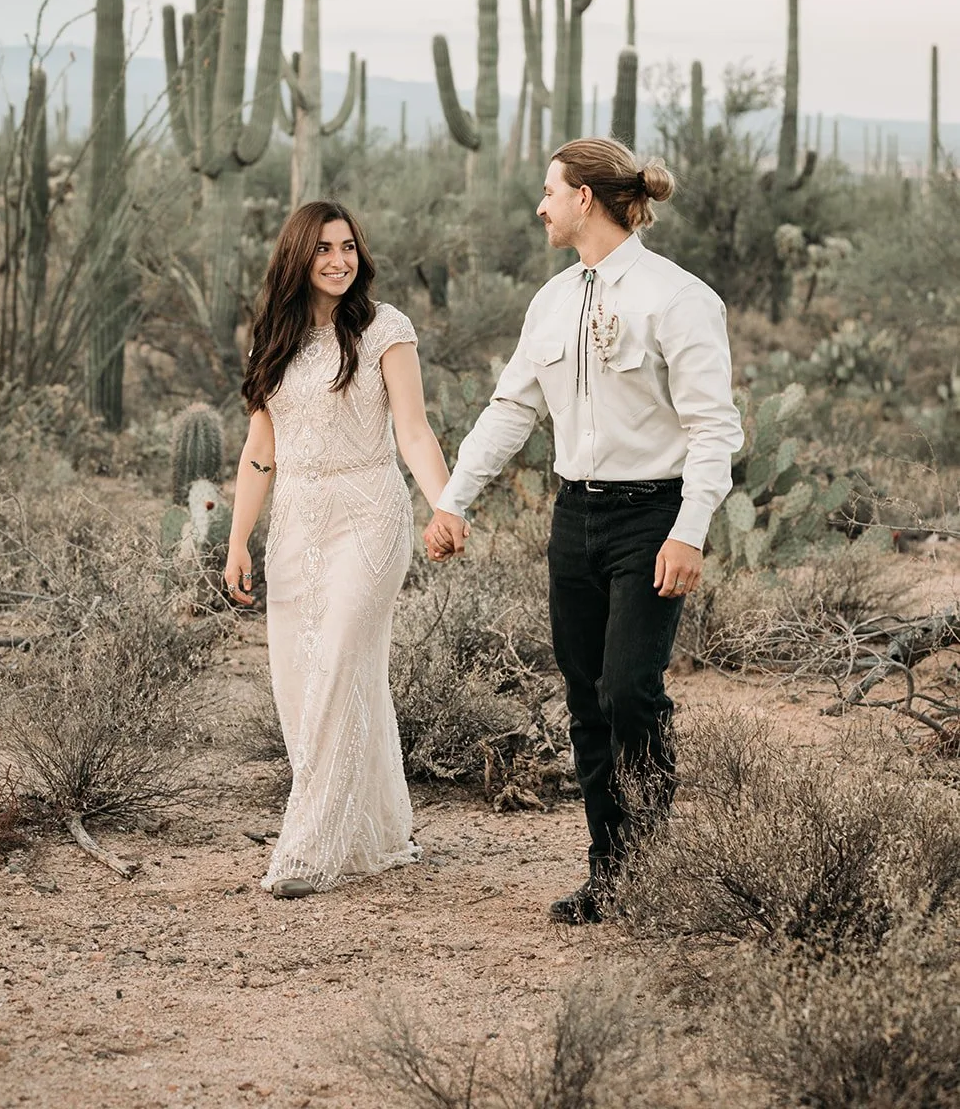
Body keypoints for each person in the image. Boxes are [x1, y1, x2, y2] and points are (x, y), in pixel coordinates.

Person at [424, 139, 743, 925]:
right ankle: (611, 873)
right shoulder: (552, 301)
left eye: (548, 191)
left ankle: (655, 866)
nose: (539, 206)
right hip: (576, 518)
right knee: (584, 700)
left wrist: (689, 531)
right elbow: (511, 410)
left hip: (652, 518)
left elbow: (712, 427)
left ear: (585, 200)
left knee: (630, 691)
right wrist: (453, 501)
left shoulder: (678, 298)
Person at [224, 200, 462, 899]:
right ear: (297, 257)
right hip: (298, 521)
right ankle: (377, 833)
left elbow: (413, 432)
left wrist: (445, 503)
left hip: (369, 513)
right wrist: (238, 540)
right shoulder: (274, 339)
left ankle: (309, 849)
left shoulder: (386, 328)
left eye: (348, 247)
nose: (338, 260)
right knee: (305, 680)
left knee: (337, 663)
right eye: (323, 248)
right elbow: (259, 453)